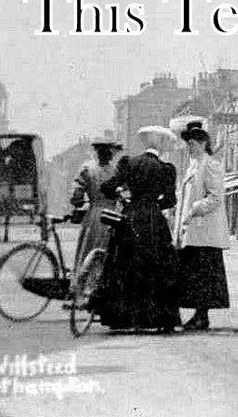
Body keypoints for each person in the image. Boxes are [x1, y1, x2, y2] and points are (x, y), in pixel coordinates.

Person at [93, 126, 181, 333]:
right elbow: (170, 200)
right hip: (152, 220)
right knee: (156, 265)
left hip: (130, 217)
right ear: (160, 144)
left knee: (124, 263)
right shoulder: (166, 168)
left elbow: (107, 187)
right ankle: (153, 318)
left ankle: (123, 317)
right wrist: (154, 202)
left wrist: (123, 195)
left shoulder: (129, 163)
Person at [174, 124, 230, 332]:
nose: (190, 147)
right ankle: (199, 315)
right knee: (195, 275)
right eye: (188, 144)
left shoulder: (210, 165)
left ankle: (202, 316)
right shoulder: (193, 166)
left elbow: (215, 197)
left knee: (203, 276)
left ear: (204, 143)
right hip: (194, 230)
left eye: (193, 143)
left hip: (205, 231)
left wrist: (194, 209)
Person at [69, 141, 121, 283]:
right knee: (106, 249)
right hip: (112, 214)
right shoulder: (116, 170)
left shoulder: (87, 168)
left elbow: (76, 194)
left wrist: (78, 201)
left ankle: (82, 282)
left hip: (94, 214)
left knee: (89, 248)